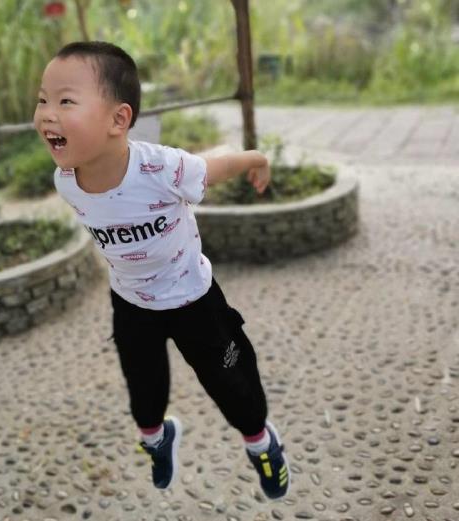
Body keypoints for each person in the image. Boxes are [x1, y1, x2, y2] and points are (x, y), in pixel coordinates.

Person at [33, 41, 290, 499]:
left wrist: (255, 158)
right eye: (42, 100)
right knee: (144, 393)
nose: (47, 114)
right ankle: (157, 440)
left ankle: (261, 443)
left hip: (195, 301)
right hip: (132, 305)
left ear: (119, 119)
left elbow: (213, 168)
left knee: (233, 383)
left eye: (65, 101)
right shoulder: (65, 181)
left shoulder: (161, 168)